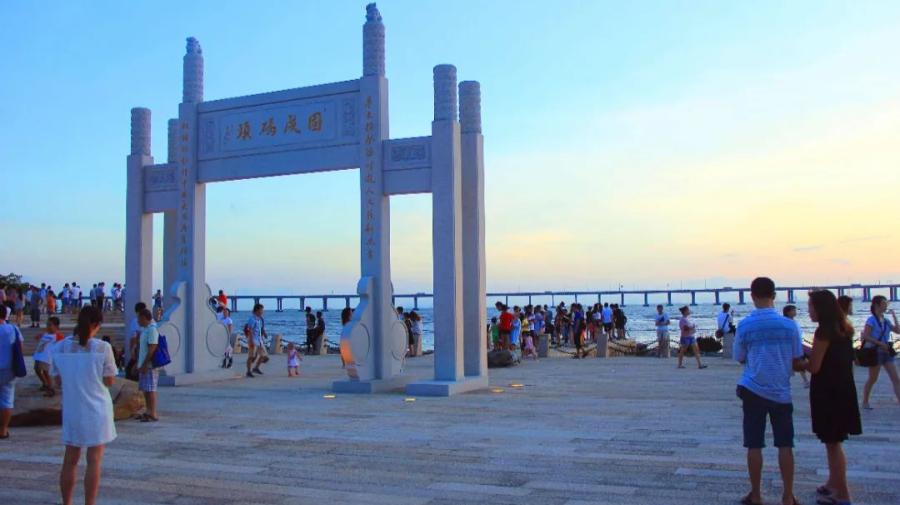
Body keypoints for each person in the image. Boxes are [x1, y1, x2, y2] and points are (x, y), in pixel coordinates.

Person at [733, 277, 803, 505]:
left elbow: (739, 357)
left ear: (752, 296)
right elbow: (796, 358)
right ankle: (788, 495)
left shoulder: (745, 325)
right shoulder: (790, 325)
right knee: (785, 444)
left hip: (753, 389)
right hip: (781, 391)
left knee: (754, 444)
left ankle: (756, 494)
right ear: (774, 295)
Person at [797, 290, 861, 505]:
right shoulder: (843, 328)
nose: (808, 311)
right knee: (833, 441)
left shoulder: (823, 332)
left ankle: (842, 494)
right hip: (843, 388)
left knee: (833, 443)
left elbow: (814, 366)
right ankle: (833, 483)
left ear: (821, 308)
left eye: (811, 306)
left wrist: (798, 364)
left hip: (828, 392)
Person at [52, 306, 117, 505]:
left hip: (73, 409)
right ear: (96, 325)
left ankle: (67, 502)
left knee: (70, 459)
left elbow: (57, 381)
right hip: (97, 410)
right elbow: (109, 381)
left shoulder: (60, 347)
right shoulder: (102, 348)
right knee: (94, 460)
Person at [859, 295, 900, 409]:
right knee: (873, 379)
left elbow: (898, 331)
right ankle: (865, 401)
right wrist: (880, 343)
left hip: (886, 353)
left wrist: (894, 316)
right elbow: (866, 336)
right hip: (875, 353)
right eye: (884, 303)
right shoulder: (871, 320)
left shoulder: (886, 321)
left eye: (886, 303)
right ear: (877, 305)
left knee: (896, 378)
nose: (886, 305)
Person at [0, 305, 24, 439]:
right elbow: (20, 347)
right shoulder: (13, 329)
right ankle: (3, 430)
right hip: (9, 370)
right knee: (7, 400)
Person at [136, 308, 160, 422]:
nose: (138, 321)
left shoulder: (152, 330)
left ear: (144, 318)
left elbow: (152, 348)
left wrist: (145, 364)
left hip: (149, 365)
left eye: (139, 319)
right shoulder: (145, 330)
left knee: (151, 389)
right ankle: (148, 411)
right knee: (146, 389)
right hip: (143, 364)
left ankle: (153, 412)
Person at [34, 316, 65, 397]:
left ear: (56, 326)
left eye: (50, 325)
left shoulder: (58, 336)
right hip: (39, 355)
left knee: (46, 372)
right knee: (37, 369)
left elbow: (63, 344)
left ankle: (51, 388)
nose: (47, 327)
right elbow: (36, 338)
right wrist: (39, 336)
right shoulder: (45, 334)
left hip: (47, 357)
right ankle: (45, 383)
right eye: (47, 325)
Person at [783, 305, 810, 388]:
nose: (795, 312)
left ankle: (805, 381)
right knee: (791, 365)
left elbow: (799, 333)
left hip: (800, 345)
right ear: (788, 312)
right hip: (791, 347)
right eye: (793, 310)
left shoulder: (794, 322)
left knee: (801, 362)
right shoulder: (785, 322)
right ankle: (805, 381)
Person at [244, 303, 268, 377]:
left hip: (259, 340)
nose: (262, 311)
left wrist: (264, 333)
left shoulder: (259, 319)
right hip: (253, 339)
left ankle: (256, 368)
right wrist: (251, 341)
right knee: (251, 356)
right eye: (261, 310)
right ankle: (248, 371)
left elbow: (260, 328)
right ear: (257, 310)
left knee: (264, 356)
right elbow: (249, 330)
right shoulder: (252, 319)